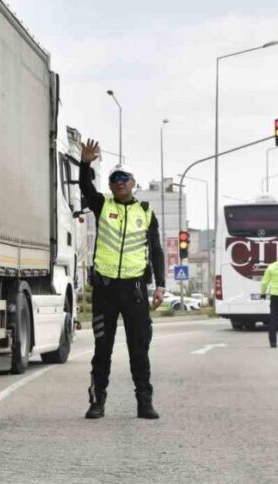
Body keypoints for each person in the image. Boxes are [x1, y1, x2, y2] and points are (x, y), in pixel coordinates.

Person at [78, 139, 166, 420]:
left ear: (133, 182)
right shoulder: (102, 205)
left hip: (136, 291)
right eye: (114, 179)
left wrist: (160, 285)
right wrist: (84, 163)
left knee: (139, 349)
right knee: (102, 349)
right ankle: (97, 402)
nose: (118, 183)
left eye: (123, 178)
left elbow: (156, 251)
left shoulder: (146, 213)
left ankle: (144, 401)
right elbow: (85, 188)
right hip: (105, 290)